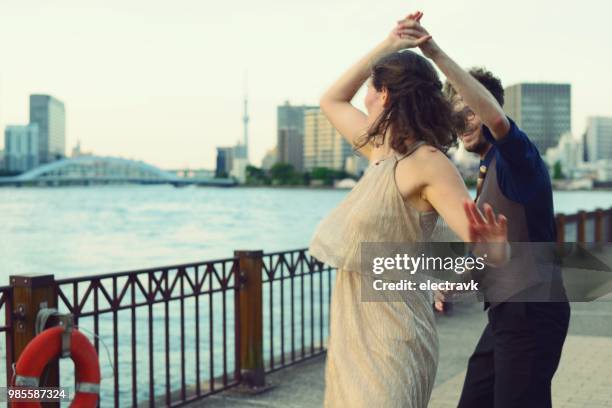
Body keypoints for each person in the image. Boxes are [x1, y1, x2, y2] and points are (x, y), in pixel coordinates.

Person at [308, 13, 508, 407]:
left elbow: (485, 251)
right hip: (352, 339)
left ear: (384, 95)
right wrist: (390, 44)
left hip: (394, 339)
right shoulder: (379, 151)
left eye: (371, 87)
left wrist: (497, 247)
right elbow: (331, 99)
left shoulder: (429, 163)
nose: (364, 97)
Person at [397, 11, 571, 408]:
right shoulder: (486, 168)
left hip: (532, 310)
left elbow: (493, 116)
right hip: (508, 314)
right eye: (456, 114)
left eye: (469, 111)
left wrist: (432, 51)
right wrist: (456, 282)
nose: (462, 122)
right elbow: (494, 251)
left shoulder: (518, 160)